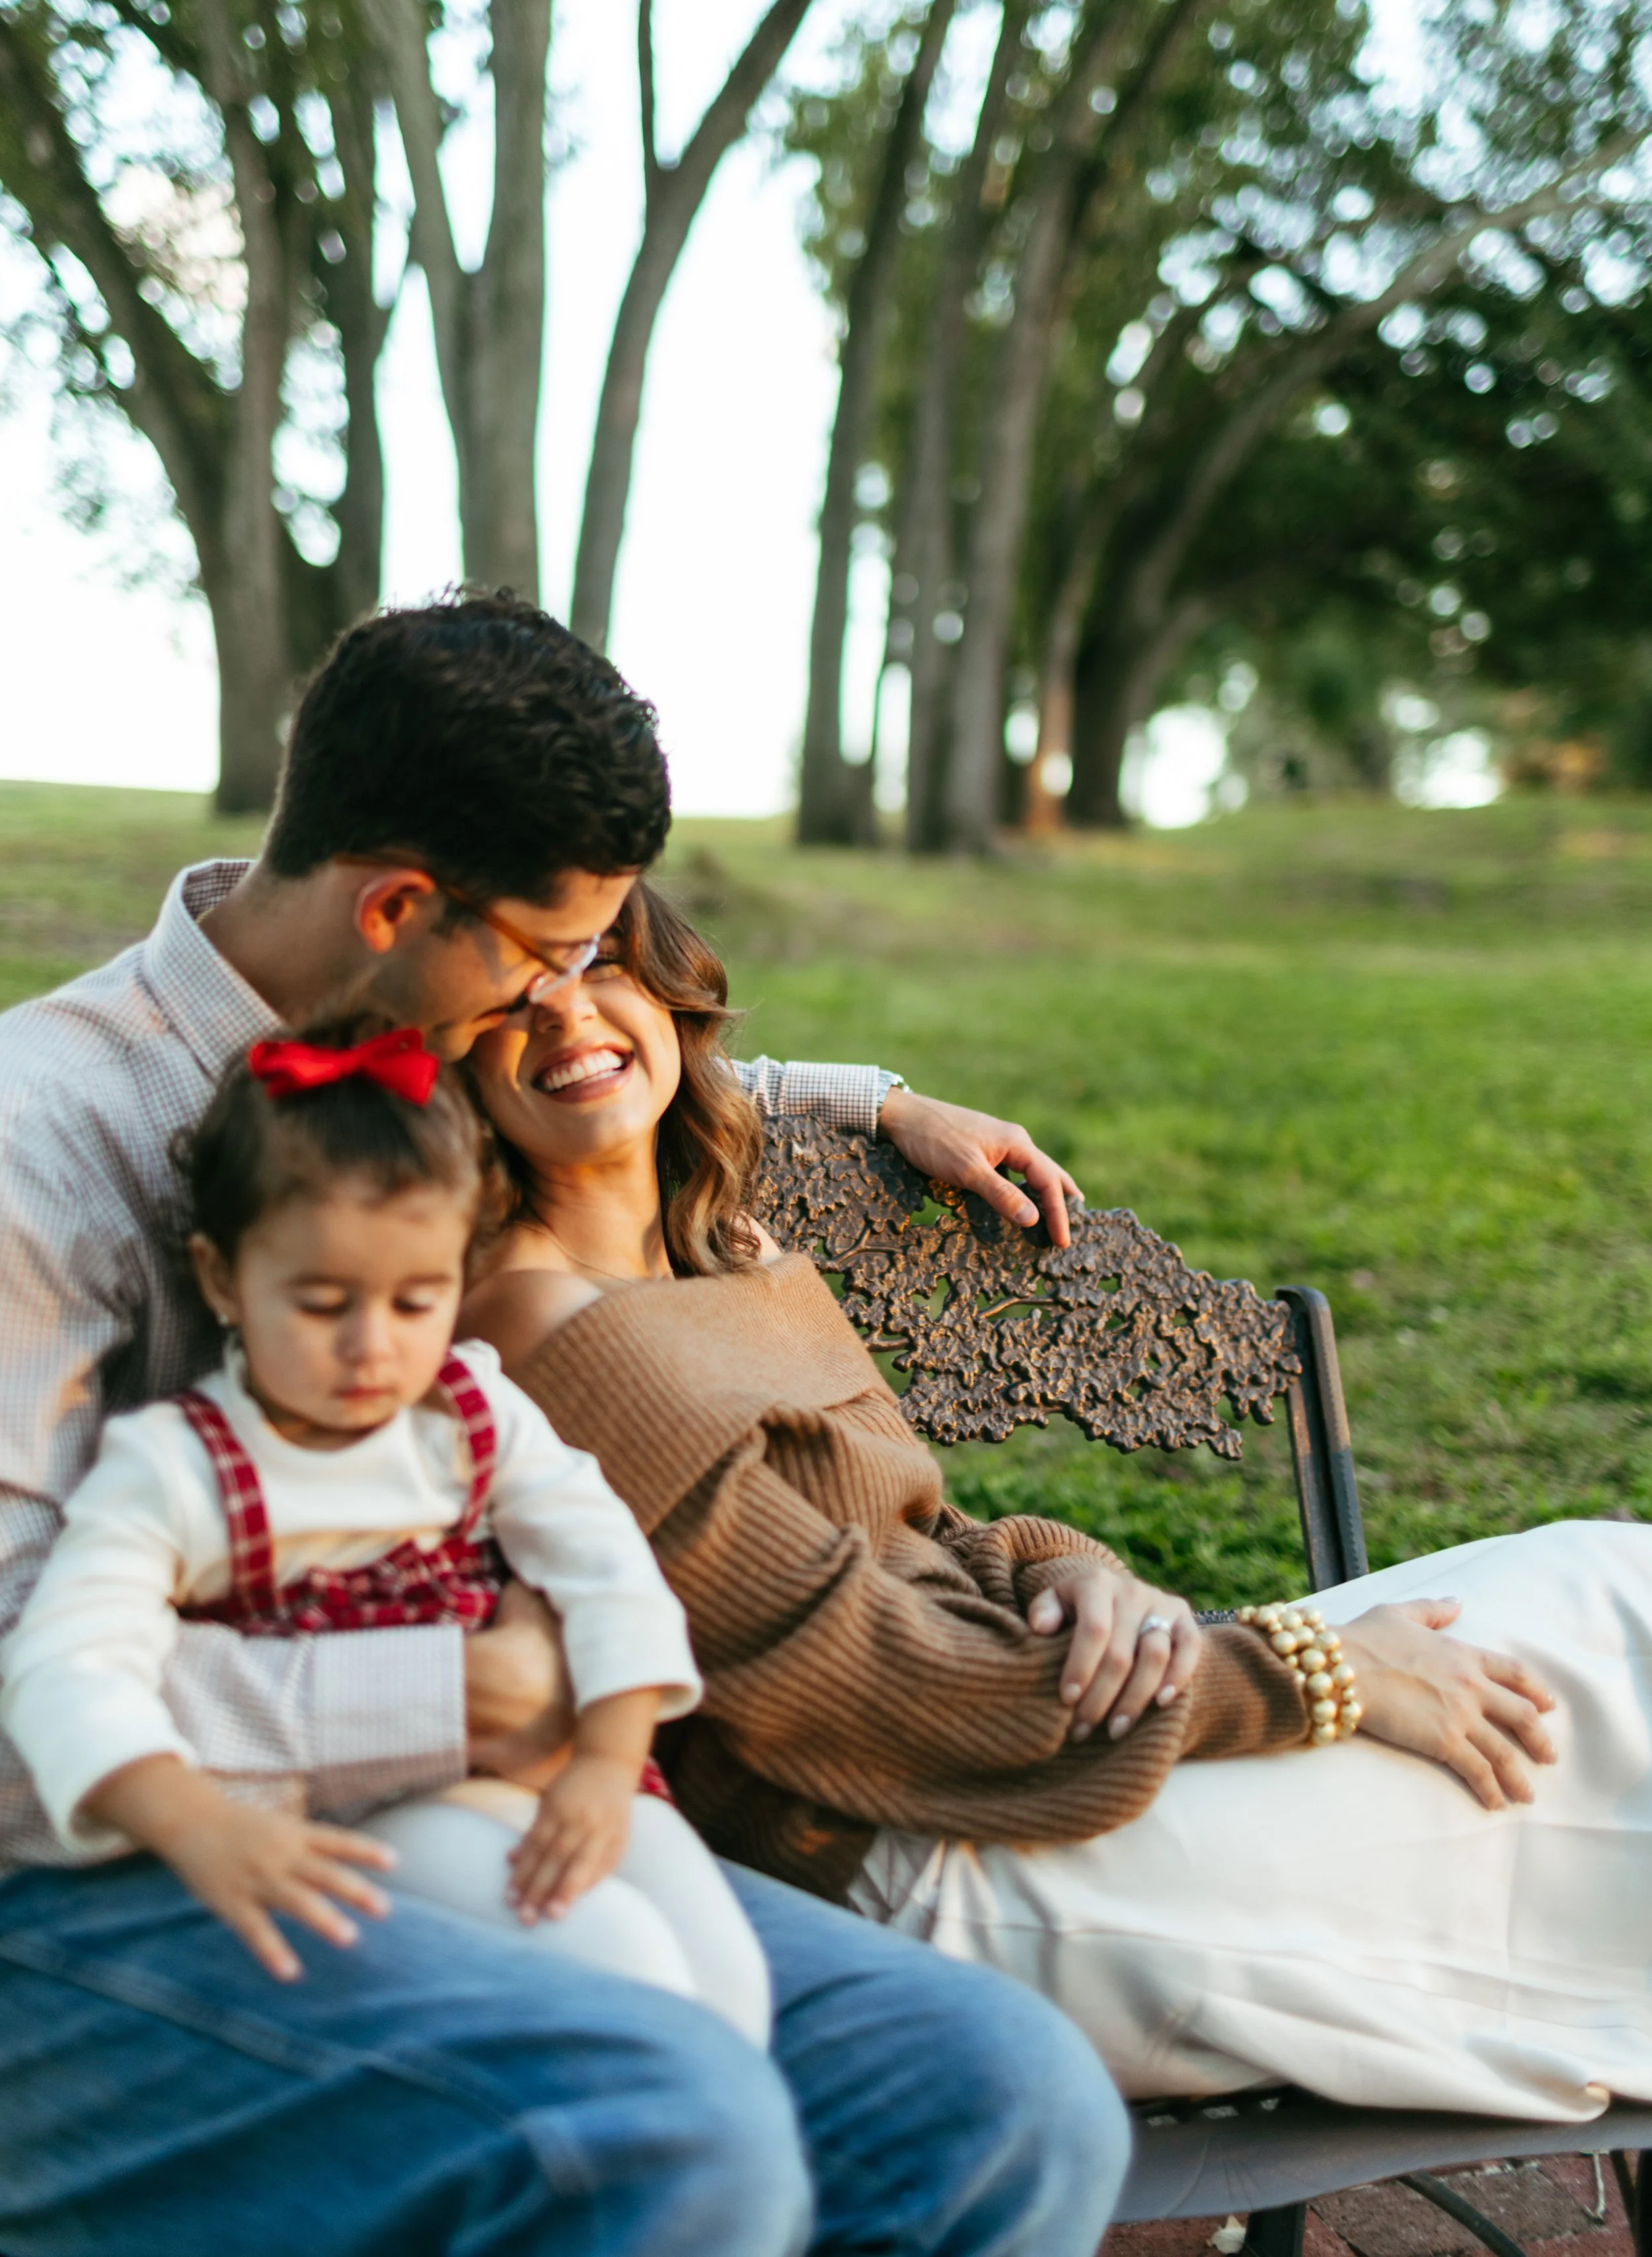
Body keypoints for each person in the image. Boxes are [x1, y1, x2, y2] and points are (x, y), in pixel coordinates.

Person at [0, 596, 1129, 2257]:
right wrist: (444, 1695)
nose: (557, 1002)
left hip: (467, 1808)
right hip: (91, 1883)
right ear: (396, 904)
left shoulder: (403, 1035)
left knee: (996, 2094)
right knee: (658, 2119)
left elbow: (651, 1082)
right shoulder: (42, 1146)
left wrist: (875, 1100)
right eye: (540, 957)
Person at [461, 874, 1652, 2129]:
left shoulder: (726, 1244)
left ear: (668, 996)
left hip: (1028, 1741)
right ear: (446, 1056)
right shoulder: (546, 1335)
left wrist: (1080, 1571)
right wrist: (1313, 1671)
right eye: (509, 1000)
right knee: (1584, 1694)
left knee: (1600, 1583)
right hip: (927, 1861)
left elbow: (923, 1532)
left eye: (596, 967)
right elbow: (882, 1690)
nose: (566, 1018)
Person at [2, 1018, 771, 2043]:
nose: (373, 1347)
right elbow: (68, 1659)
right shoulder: (182, 1466)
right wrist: (195, 1819)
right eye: (323, 1304)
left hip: (566, 1765)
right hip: (373, 1806)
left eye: (419, 1300)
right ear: (225, 1277)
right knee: (627, 1975)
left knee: (729, 1987)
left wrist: (606, 1757)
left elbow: (604, 1563)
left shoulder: (471, 1406)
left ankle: (713, 2171)